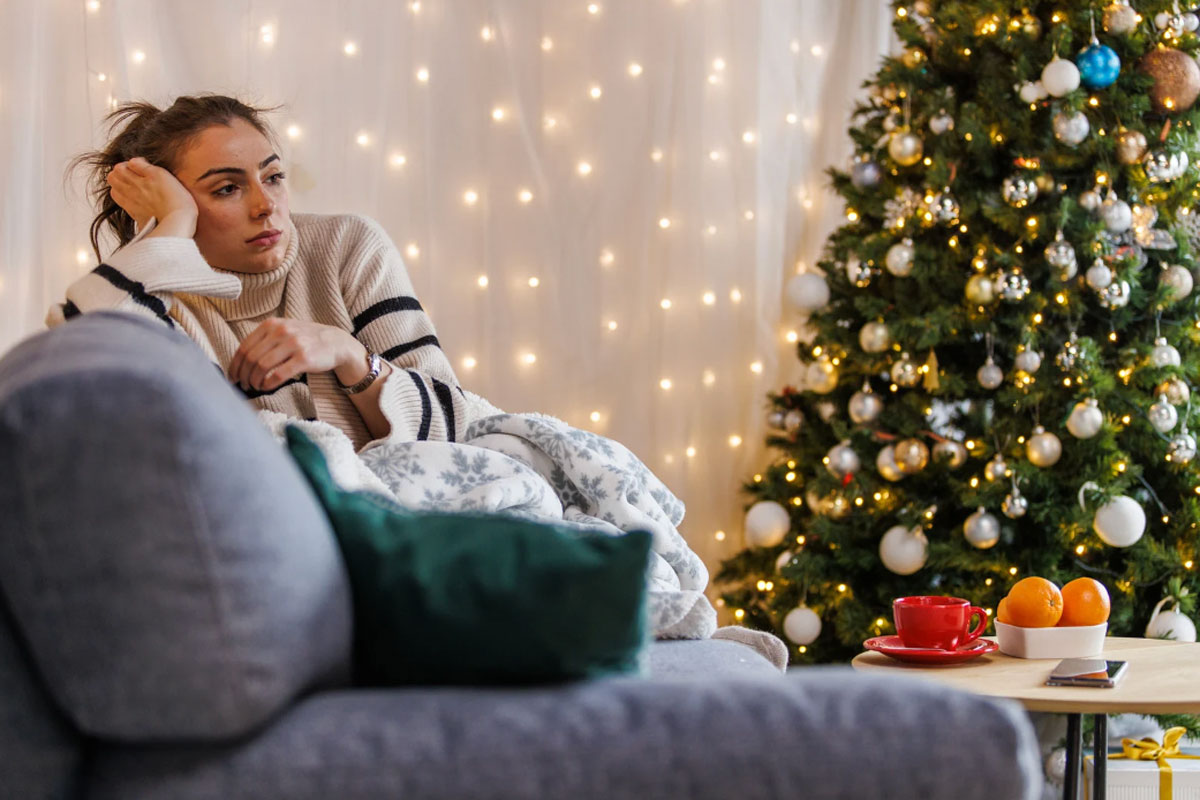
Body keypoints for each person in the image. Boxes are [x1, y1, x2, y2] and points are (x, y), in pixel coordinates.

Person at [50, 94, 487, 450]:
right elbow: (80, 385)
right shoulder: (151, 296)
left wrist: (349, 354)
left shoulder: (347, 246)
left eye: (273, 176)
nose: (266, 206)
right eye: (226, 189)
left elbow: (453, 429)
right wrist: (172, 227)